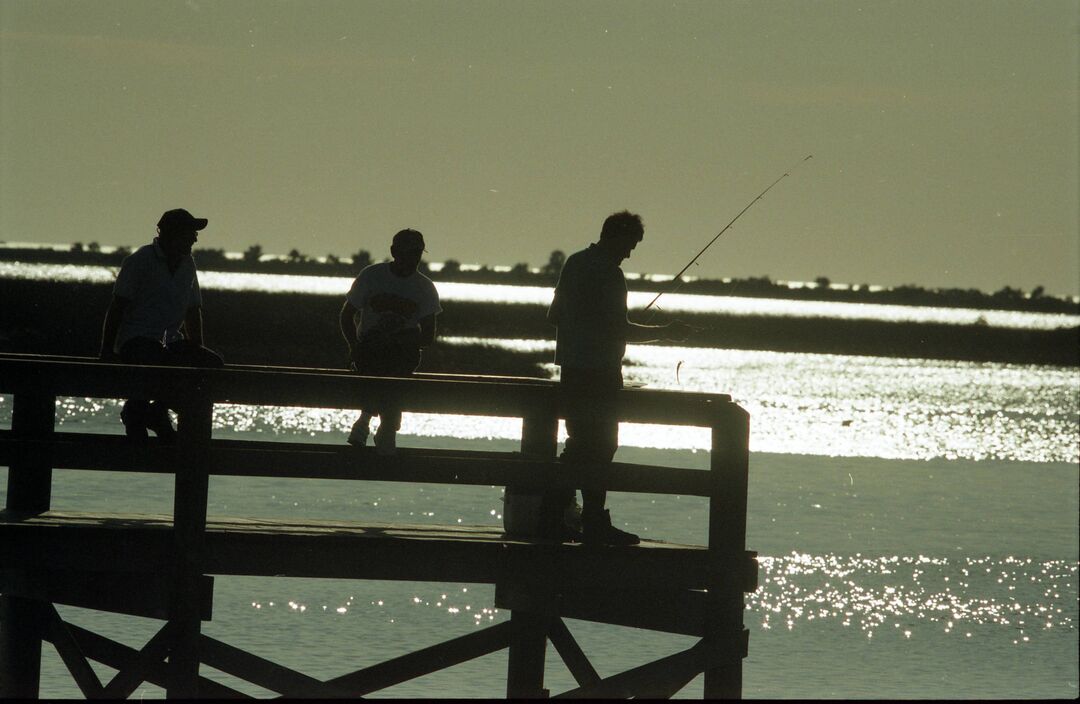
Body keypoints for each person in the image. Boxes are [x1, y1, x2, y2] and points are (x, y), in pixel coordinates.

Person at [547, 210, 691, 545]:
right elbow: (620, 328)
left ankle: (555, 515)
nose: (629, 253)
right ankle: (592, 523)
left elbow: (554, 315)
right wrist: (666, 332)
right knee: (601, 446)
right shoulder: (610, 275)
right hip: (599, 374)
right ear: (616, 236)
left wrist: (584, 326)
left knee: (579, 445)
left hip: (572, 369)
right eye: (630, 245)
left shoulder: (574, 263)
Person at [100, 208, 224, 442]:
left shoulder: (188, 264)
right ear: (171, 234)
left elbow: (192, 310)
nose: (195, 238)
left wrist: (196, 349)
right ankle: (141, 411)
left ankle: (150, 410)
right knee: (161, 362)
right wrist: (106, 350)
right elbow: (117, 307)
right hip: (135, 341)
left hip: (170, 341)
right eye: (190, 233)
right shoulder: (139, 261)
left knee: (212, 364)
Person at [339, 229, 441, 455]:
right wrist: (354, 347)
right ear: (394, 251)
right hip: (370, 351)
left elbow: (428, 336)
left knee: (394, 374)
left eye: (416, 253)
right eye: (407, 252)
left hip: (402, 355)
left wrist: (402, 339)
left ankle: (368, 421)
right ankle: (384, 431)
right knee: (390, 381)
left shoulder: (424, 288)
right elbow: (347, 316)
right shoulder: (372, 276)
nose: (412, 258)